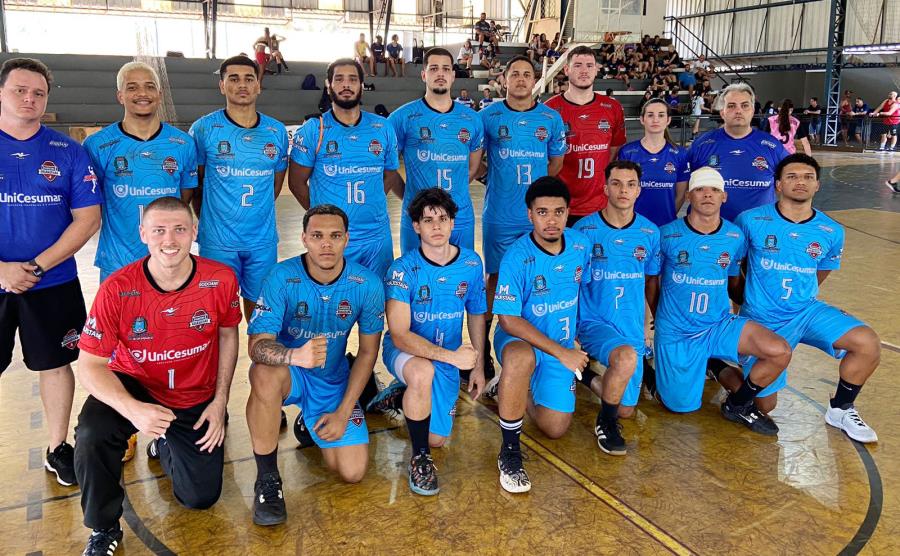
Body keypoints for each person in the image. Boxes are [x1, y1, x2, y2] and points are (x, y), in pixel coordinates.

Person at [73, 196, 240, 555]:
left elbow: (228, 333)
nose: (170, 240)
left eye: (180, 229)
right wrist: (132, 409)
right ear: (143, 234)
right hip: (137, 383)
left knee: (199, 498)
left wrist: (220, 401)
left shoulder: (220, 279)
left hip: (195, 391)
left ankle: (166, 443)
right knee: (92, 432)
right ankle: (103, 527)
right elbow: (89, 365)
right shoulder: (117, 289)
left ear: (194, 232)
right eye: (160, 230)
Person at [709, 154, 879, 442]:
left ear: (817, 186)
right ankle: (715, 363)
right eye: (792, 176)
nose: (800, 181)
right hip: (762, 316)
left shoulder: (831, 230)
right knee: (765, 405)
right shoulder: (751, 221)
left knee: (867, 343)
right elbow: (733, 267)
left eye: (807, 177)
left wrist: (800, 298)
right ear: (777, 184)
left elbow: (820, 272)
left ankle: (840, 408)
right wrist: (744, 300)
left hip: (805, 312)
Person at [245, 204, 384, 526]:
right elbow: (256, 347)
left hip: (331, 380)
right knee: (263, 374)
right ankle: (268, 480)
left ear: (347, 239)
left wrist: (344, 410)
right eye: (318, 236)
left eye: (335, 236)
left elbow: (366, 354)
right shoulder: (282, 276)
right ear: (304, 238)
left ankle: (311, 421)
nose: (326, 244)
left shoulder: (367, 284)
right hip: (289, 373)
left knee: (352, 472)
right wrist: (295, 356)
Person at [0, 57, 101, 490]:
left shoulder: (68, 151)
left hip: (53, 281)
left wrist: (38, 266)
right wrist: (2, 269)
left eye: (38, 92)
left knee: (57, 364)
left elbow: (87, 219)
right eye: (20, 90)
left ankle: (57, 447)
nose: (29, 98)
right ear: (1, 93)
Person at [649, 167, 792, 434]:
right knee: (679, 406)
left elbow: (732, 282)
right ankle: (694, 366)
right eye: (700, 189)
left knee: (779, 351)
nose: (707, 195)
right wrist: (661, 317)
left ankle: (734, 400)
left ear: (723, 197)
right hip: (678, 331)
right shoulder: (666, 234)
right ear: (689, 195)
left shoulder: (735, 236)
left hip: (718, 324)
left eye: (714, 190)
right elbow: (652, 281)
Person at [381, 188, 487, 495]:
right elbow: (399, 335)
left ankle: (401, 396)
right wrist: (453, 358)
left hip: (446, 357)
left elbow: (477, 313)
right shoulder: (402, 270)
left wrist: (477, 365)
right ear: (416, 227)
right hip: (404, 352)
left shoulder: (470, 263)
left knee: (438, 438)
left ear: (453, 223)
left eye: (442, 218)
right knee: (421, 373)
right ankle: (420, 460)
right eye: (428, 220)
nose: (436, 226)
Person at [492, 177, 592, 492]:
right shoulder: (517, 256)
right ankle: (509, 452)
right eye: (543, 212)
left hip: (560, 342)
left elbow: (582, 293)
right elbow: (508, 319)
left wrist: (573, 342)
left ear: (568, 213)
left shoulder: (579, 245)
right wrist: (561, 353)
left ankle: (511, 391)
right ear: (530, 215)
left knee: (555, 428)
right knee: (521, 358)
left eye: (559, 212)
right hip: (520, 339)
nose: (551, 220)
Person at [479, 55, 566, 380]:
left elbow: (554, 165)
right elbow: (473, 160)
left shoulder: (551, 119)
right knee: (496, 280)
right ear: (504, 79)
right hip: (500, 216)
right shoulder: (488, 117)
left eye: (526, 74)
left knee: (539, 278)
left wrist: (539, 194)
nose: (520, 79)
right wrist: (491, 178)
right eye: (514, 74)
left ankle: (535, 345)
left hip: (539, 218)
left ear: (534, 80)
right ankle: (486, 348)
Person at [189, 55, 289, 321]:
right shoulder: (203, 129)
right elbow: (196, 185)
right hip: (218, 243)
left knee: (261, 318)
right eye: (233, 79)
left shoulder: (276, 131)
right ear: (222, 85)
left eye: (249, 79)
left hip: (262, 242)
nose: (242, 85)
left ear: (258, 85)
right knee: (219, 318)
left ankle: (259, 363)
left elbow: (275, 185)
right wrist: (211, 221)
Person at [574, 161, 660, 454]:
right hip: (594, 322)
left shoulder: (649, 232)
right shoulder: (584, 229)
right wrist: (571, 329)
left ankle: (584, 376)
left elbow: (650, 281)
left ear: (639, 189)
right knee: (622, 363)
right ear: (605, 187)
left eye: (630, 184)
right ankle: (605, 423)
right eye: (617, 183)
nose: (624, 190)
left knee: (626, 409)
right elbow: (572, 284)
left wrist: (652, 322)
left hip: (631, 327)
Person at [86, 62, 198, 283]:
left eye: (149, 86)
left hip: (168, 259)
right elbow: (91, 201)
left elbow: (183, 198)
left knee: (168, 317)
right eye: (132, 87)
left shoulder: (183, 143)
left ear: (159, 93)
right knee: (118, 318)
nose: (142, 93)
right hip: (118, 261)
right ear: (120, 96)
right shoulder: (97, 144)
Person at [288, 58, 400, 279]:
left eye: (352, 79)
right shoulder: (314, 130)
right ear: (329, 85)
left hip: (376, 238)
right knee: (335, 306)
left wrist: (372, 200)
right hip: (333, 239)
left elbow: (389, 174)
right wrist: (323, 219)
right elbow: (296, 183)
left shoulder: (383, 127)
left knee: (375, 304)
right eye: (339, 79)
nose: (346, 85)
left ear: (361, 85)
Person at [388, 48, 484, 254]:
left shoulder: (472, 119)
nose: (440, 74)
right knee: (417, 278)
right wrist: (410, 197)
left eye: (445, 69)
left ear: (453, 76)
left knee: (460, 279)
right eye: (433, 68)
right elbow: (387, 169)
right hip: (418, 217)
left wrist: (452, 192)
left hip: (460, 216)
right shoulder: (402, 118)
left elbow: (473, 168)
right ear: (424, 75)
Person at [545, 46, 627, 226]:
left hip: (600, 205)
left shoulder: (612, 108)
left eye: (590, 65)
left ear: (596, 69)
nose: (584, 71)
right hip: (560, 204)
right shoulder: (550, 109)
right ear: (566, 70)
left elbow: (613, 151)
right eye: (578, 65)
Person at [687, 82, 789, 222]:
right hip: (713, 233)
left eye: (744, 105)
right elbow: (683, 186)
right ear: (722, 112)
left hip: (759, 232)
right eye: (731, 105)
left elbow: (789, 185)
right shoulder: (702, 145)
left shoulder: (772, 146)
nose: (738, 110)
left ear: (752, 111)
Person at [617, 98, 690, 227]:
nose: (655, 119)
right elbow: (621, 191)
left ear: (668, 120)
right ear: (642, 119)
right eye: (650, 115)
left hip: (666, 225)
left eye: (661, 115)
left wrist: (667, 216)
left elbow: (680, 195)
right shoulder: (628, 152)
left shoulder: (680, 154)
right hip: (633, 226)